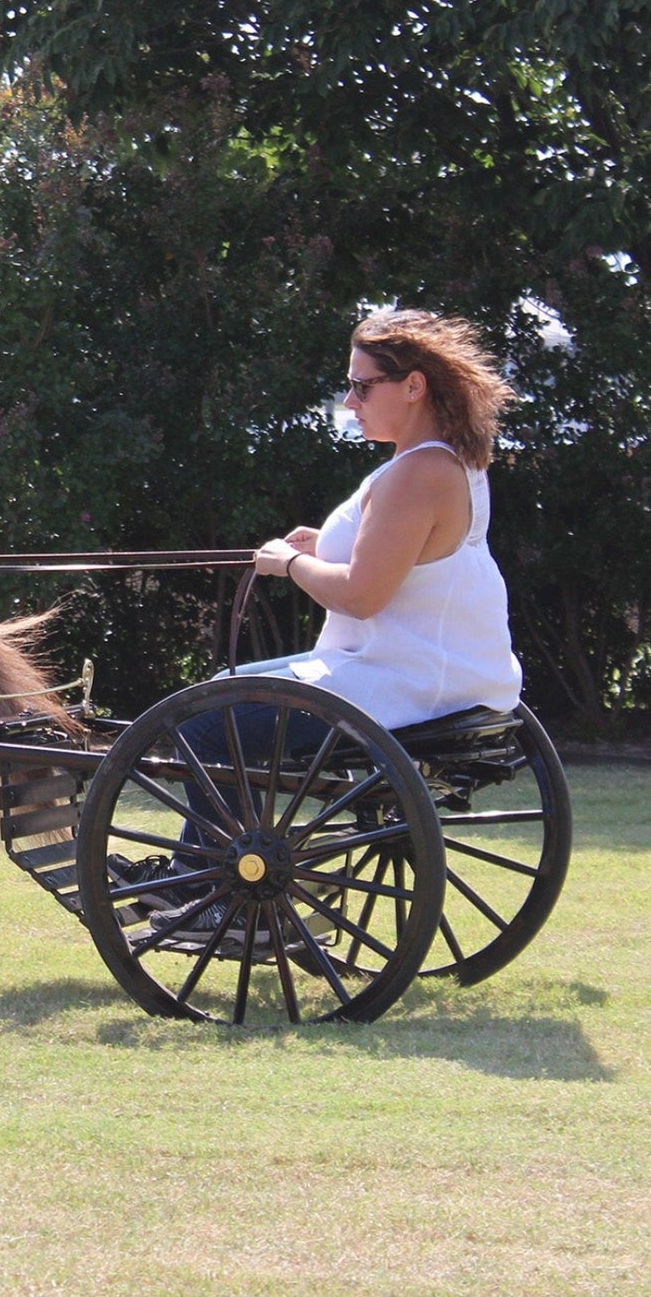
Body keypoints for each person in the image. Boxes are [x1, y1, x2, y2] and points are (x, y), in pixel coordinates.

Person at [115, 308, 523, 941]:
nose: (351, 400)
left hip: (396, 681)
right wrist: (321, 547)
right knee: (214, 703)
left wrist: (294, 562)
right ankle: (199, 875)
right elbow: (398, 560)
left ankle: (213, 893)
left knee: (201, 723)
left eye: (363, 386)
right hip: (423, 673)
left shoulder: (417, 472)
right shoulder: (445, 462)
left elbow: (363, 594)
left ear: (413, 386)